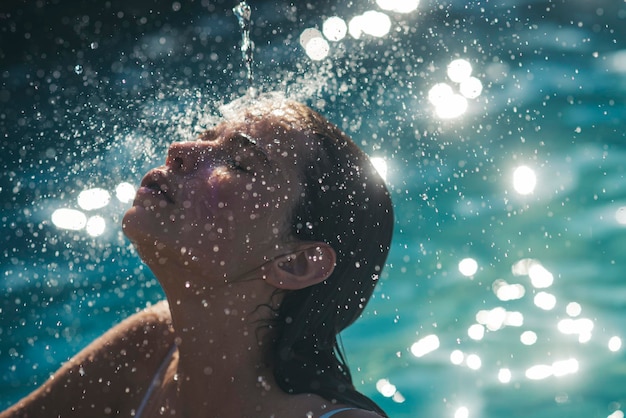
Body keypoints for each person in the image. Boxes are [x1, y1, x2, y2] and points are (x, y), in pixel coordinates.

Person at [0, 95, 394, 418]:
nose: (179, 150)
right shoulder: (152, 345)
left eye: (239, 163)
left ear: (295, 262)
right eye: (206, 136)